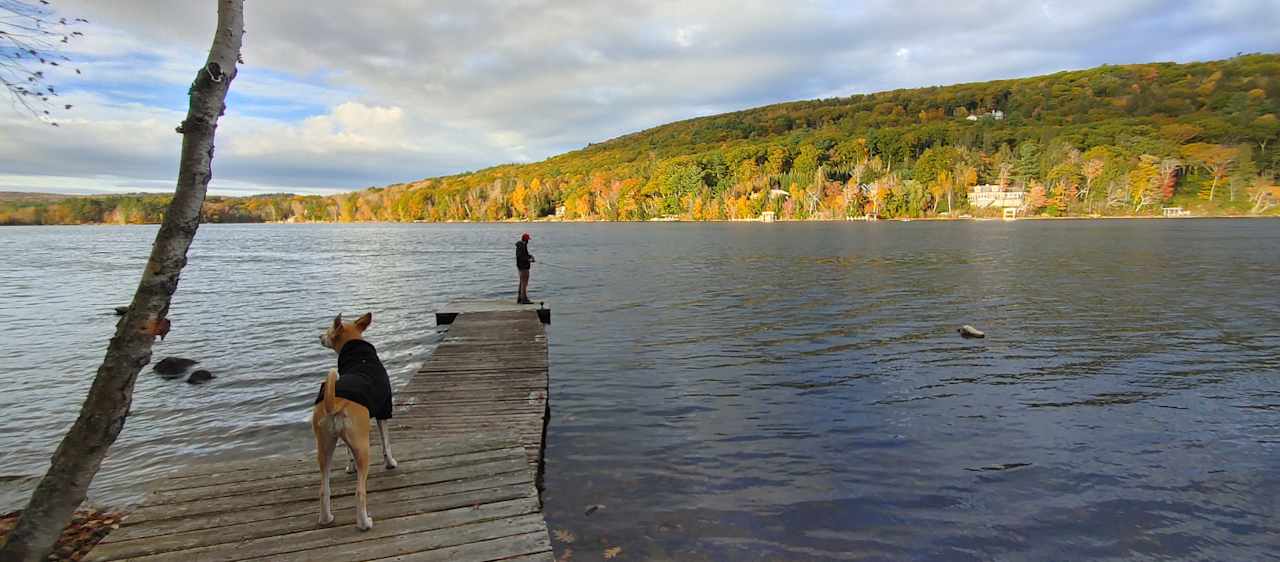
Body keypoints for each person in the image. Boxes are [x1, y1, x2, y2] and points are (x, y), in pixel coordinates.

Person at [516, 233, 535, 304]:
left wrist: (531, 256)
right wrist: (528, 260)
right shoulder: (521, 246)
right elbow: (520, 256)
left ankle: (520, 298)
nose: (528, 241)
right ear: (526, 240)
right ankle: (524, 299)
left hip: (522, 266)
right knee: (524, 283)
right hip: (523, 267)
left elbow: (525, 255)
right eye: (528, 239)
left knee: (522, 282)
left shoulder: (522, 245)